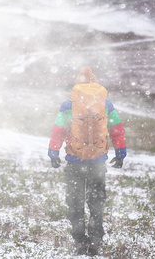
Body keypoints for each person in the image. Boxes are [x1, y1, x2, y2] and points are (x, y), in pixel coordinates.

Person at [48, 67, 126, 256]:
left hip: (75, 161)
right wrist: (120, 152)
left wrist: (53, 152)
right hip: (97, 162)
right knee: (96, 202)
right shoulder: (106, 104)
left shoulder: (68, 105)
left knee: (75, 202)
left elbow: (58, 129)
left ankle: (80, 241)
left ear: (77, 85)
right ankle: (95, 242)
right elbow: (117, 129)